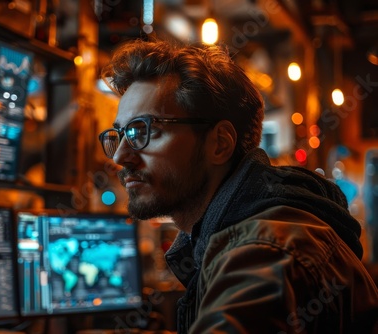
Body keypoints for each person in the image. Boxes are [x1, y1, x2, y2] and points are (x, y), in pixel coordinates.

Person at [98, 39, 378, 333]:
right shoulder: (247, 233)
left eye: (142, 130)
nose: (120, 156)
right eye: (119, 134)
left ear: (220, 143)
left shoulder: (265, 250)